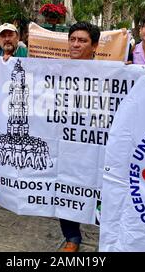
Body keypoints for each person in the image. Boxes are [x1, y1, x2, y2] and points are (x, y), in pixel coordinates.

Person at [55, 21, 101, 253]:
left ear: (94, 45)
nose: (75, 44)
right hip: (65, 144)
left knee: (98, 188)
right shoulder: (57, 70)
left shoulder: (110, 73)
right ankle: (72, 237)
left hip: (94, 145)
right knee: (65, 186)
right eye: (72, 39)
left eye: (82, 40)